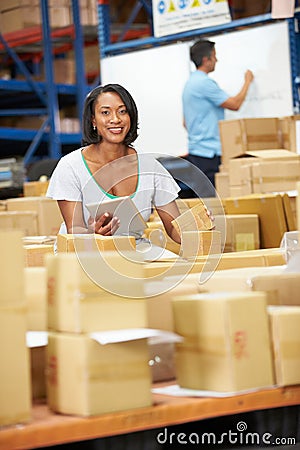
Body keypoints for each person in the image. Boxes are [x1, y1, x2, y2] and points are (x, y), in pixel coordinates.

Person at [46, 83, 184, 248]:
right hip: (82, 252)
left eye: (122, 111)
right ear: (93, 120)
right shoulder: (71, 166)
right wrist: (93, 234)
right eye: (105, 112)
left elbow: (175, 229)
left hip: (133, 248)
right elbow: (75, 231)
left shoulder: (151, 167)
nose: (115, 119)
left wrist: (198, 227)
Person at [182, 39, 254, 189]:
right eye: (214, 56)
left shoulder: (190, 84)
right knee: (215, 202)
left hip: (197, 152)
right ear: (206, 60)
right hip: (209, 154)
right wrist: (248, 82)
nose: (217, 60)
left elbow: (185, 123)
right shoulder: (204, 83)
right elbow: (235, 104)